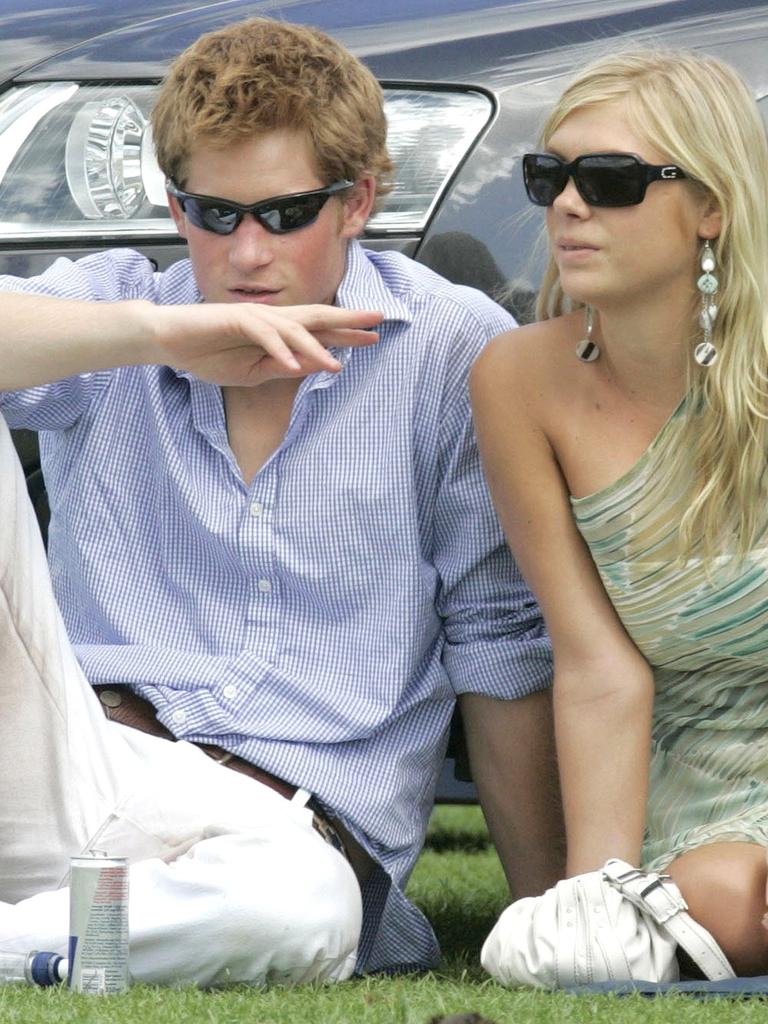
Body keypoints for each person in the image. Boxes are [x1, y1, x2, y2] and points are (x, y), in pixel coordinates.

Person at [0, 17, 558, 986]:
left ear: (360, 202)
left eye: (284, 213)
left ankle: (60, 935)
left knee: (298, 907)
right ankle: (82, 931)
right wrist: (157, 334)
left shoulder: (449, 346)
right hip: (84, 770)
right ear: (176, 208)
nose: (247, 253)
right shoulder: (123, 303)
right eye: (216, 216)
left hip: (287, 832)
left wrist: (548, 914)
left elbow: (498, 643)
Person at [471, 48, 768, 978]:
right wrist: (592, 906)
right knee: (721, 901)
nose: (568, 204)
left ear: (712, 207)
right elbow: (597, 666)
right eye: (550, 175)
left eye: (611, 180)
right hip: (694, 772)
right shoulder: (519, 380)